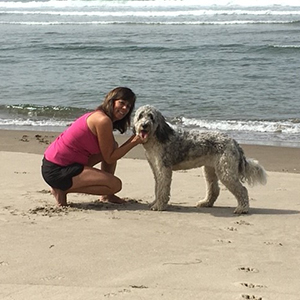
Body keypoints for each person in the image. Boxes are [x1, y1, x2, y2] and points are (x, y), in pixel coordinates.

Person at [41, 87, 143, 206]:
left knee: (112, 146)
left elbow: (109, 153)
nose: (125, 108)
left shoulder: (100, 116)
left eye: (129, 106)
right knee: (115, 185)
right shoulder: (102, 120)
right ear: (111, 101)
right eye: (122, 103)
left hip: (62, 164)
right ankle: (62, 189)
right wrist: (134, 141)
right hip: (57, 170)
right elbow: (110, 158)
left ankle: (106, 195)